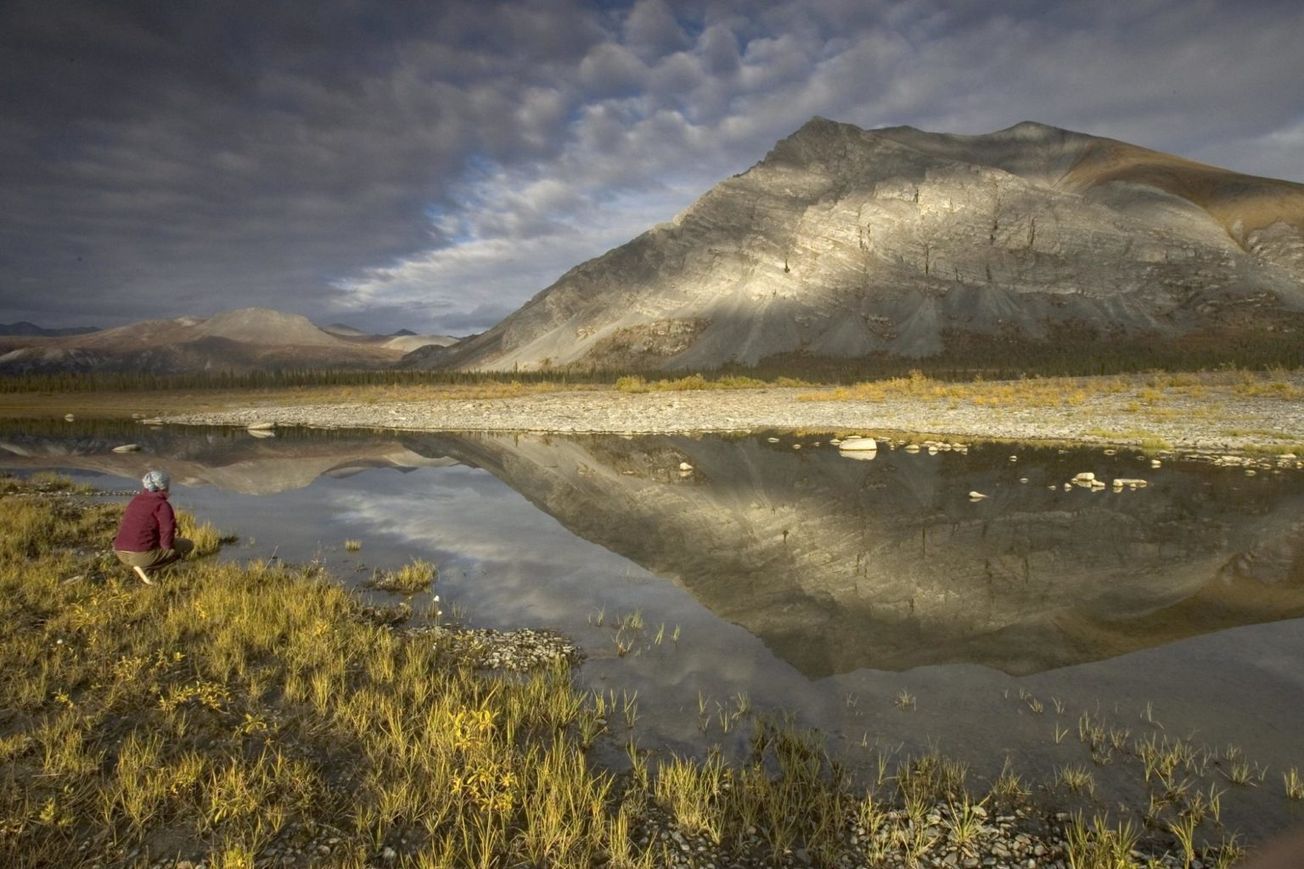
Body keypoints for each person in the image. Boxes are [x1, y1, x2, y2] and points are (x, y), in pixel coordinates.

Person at [113, 469, 193, 584]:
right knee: (187, 545)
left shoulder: (137, 499)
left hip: (120, 552)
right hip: (139, 555)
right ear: (164, 486)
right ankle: (148, 569)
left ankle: (144, 565)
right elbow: (167, 530)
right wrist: (167, 548)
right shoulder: (162, 505)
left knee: (157, 546)